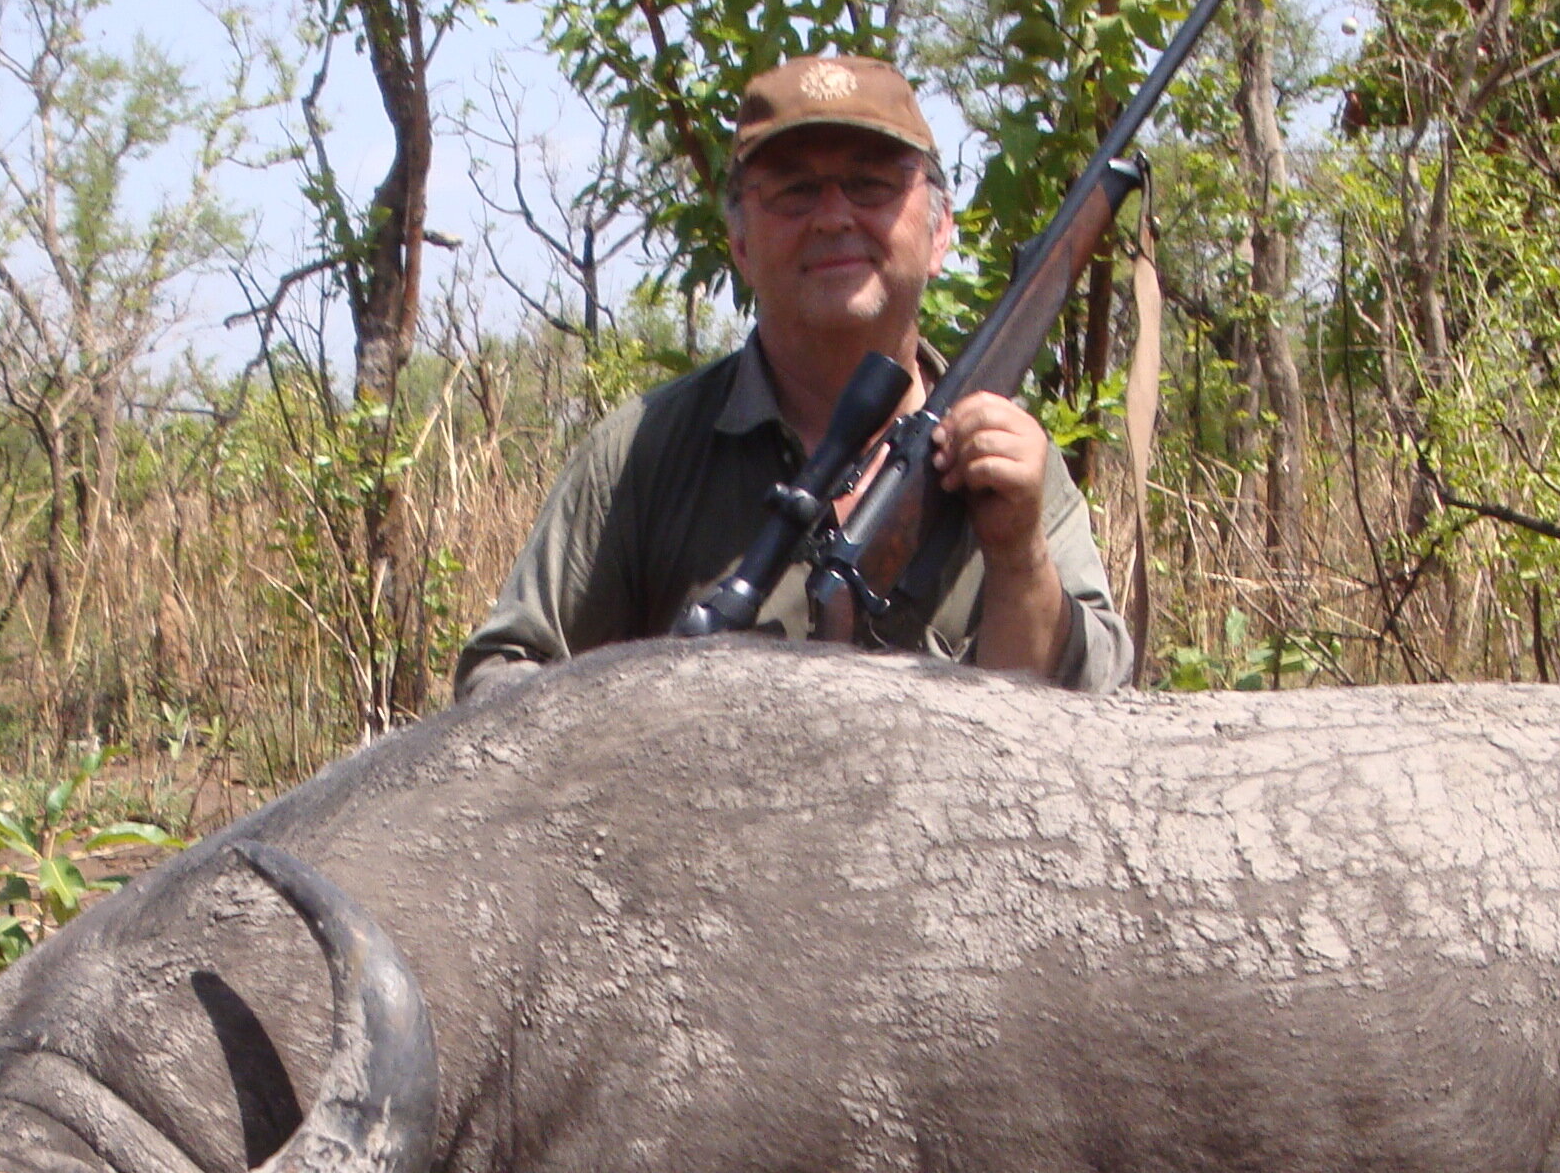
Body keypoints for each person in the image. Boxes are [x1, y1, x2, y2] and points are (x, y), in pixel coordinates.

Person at [455, 54, 1132, 701]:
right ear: (742, 245)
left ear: (940, 232)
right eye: (794, 191)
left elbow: (1081, 726)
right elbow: (498, 683)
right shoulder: (641, 453)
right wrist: (657, 719)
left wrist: (1019, 559)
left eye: (871, 185)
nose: (834, 217)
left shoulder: (1009, 463)